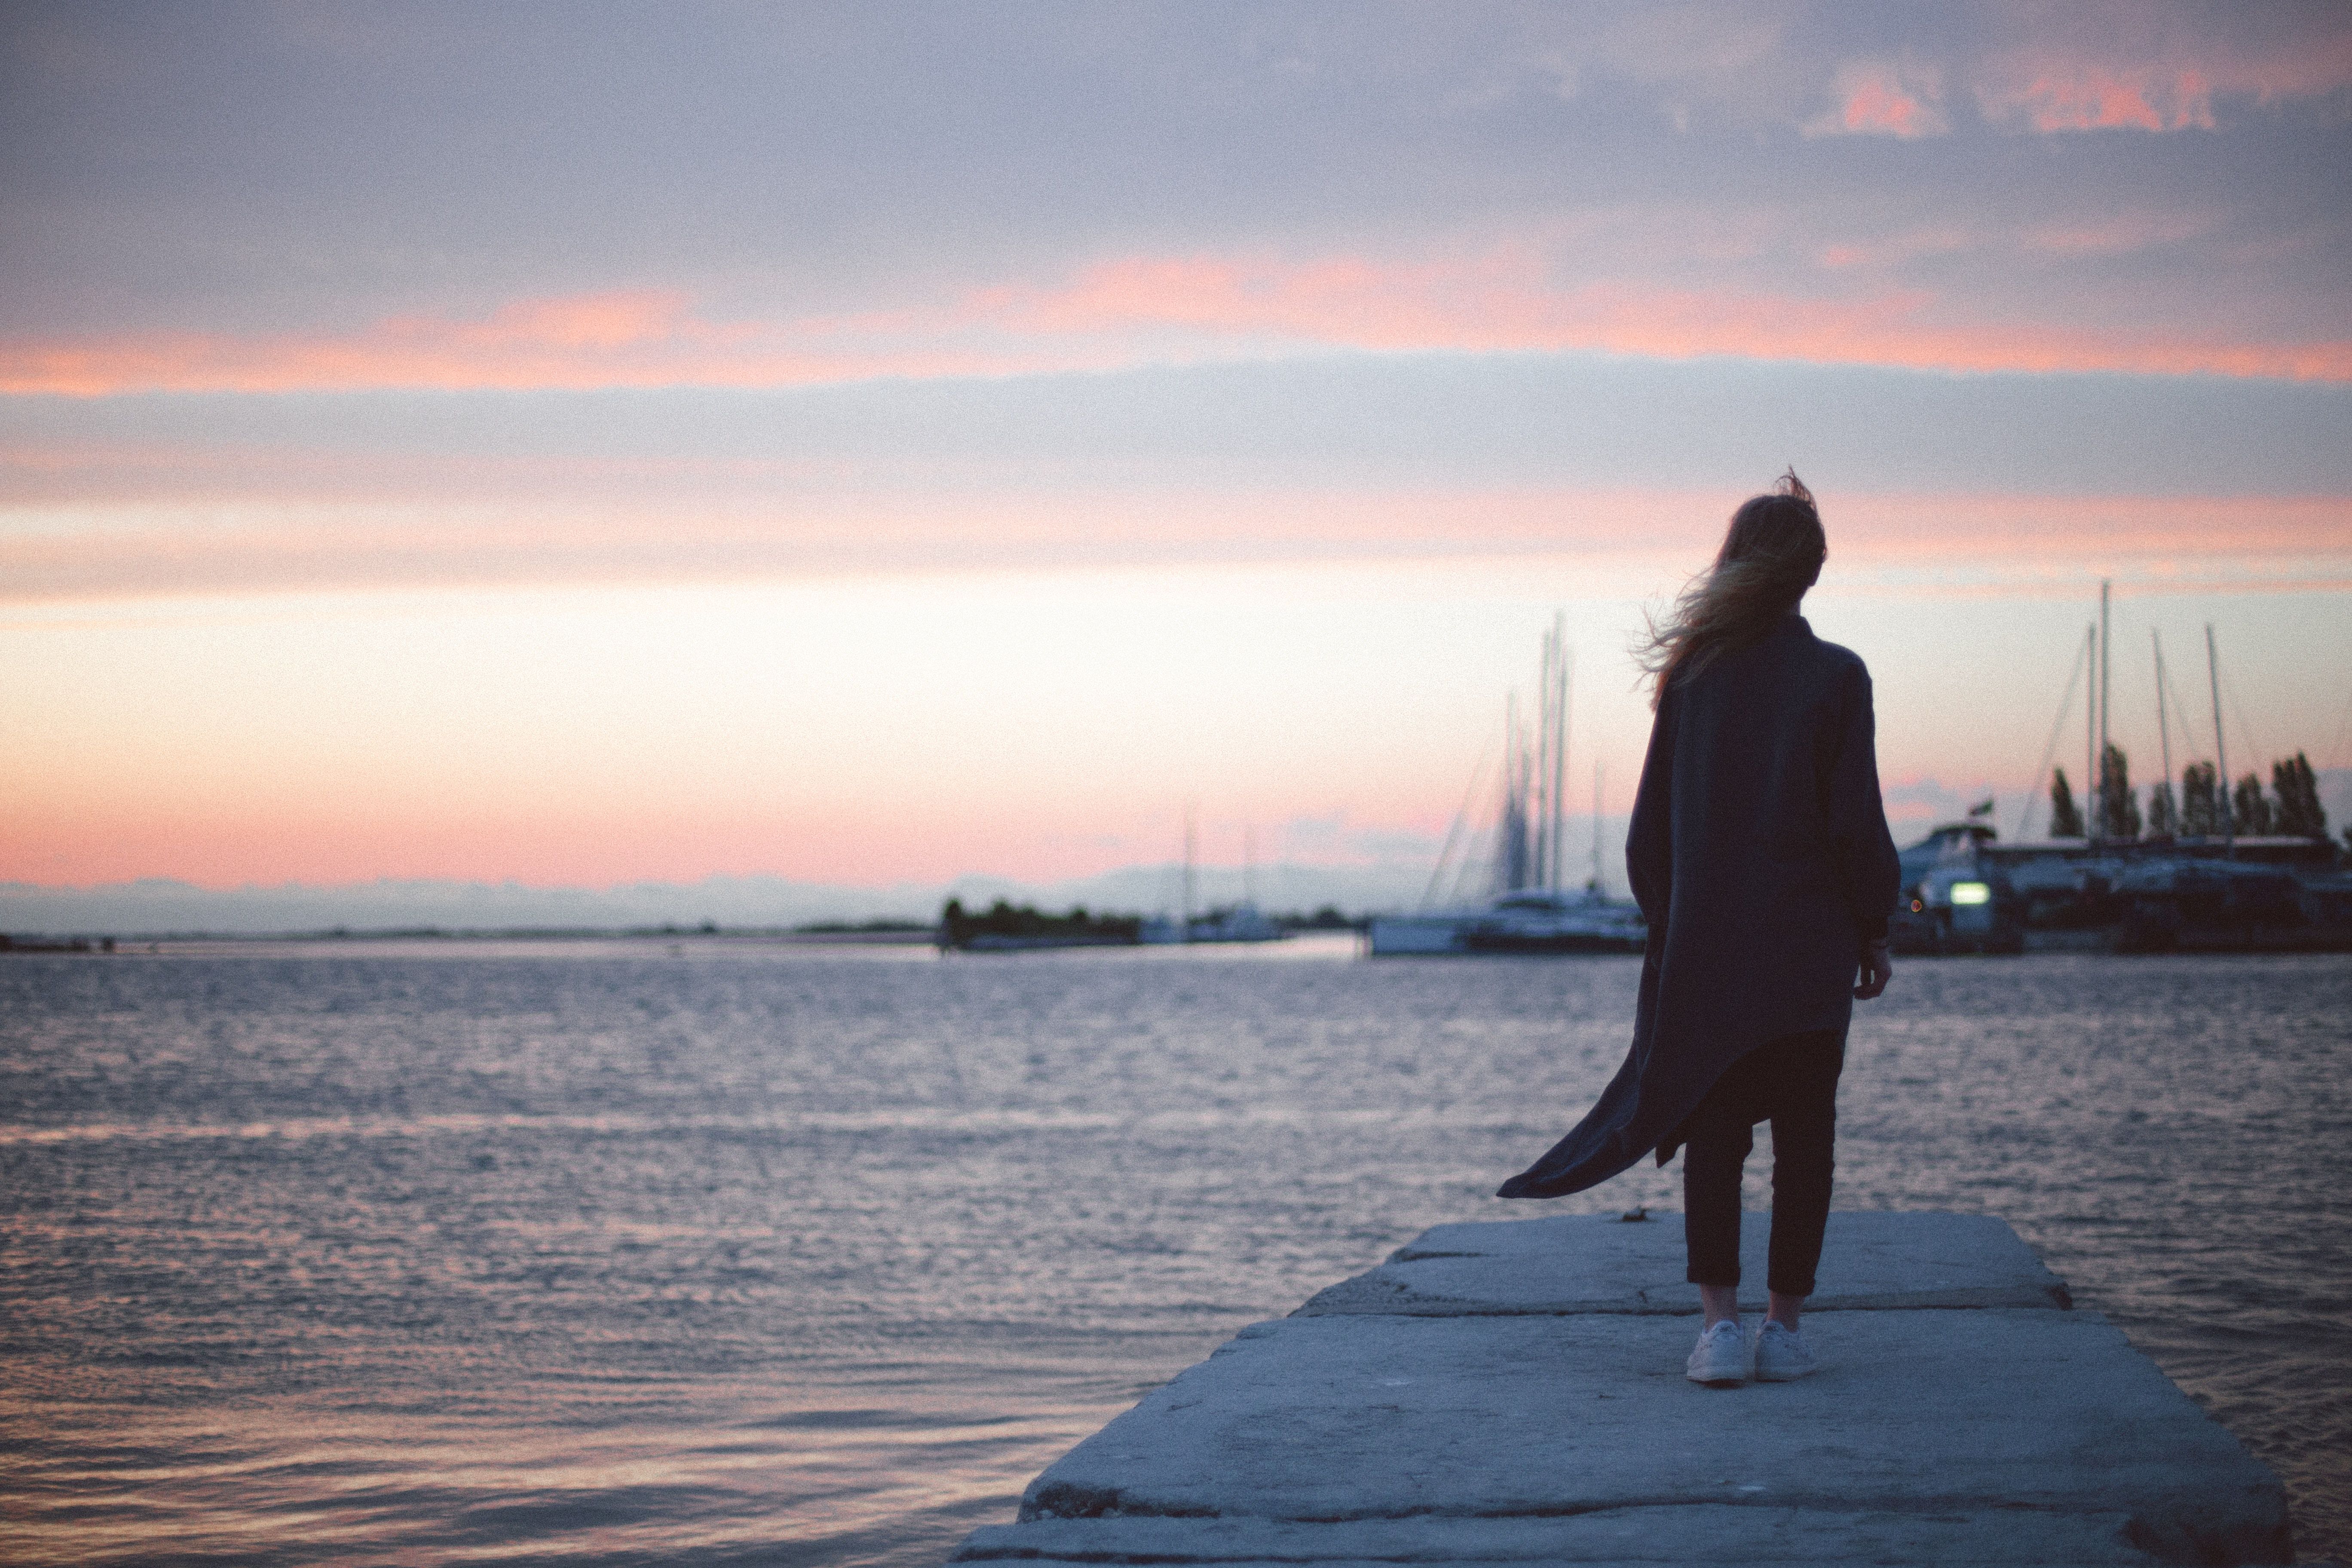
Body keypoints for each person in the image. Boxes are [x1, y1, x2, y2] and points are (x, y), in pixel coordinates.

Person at [1496, 471, 1899, 1387]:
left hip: (1709, 953)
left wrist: (1676, 928)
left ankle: (1719, 1330)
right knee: (1806, 1140)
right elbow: (1855, 823)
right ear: (1813, 572)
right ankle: (1783, 1331)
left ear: (1734, 563)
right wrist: (1873, 929)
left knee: (1715, 1137)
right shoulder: (1838, 676)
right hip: (1808, 954)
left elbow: (1649, 836)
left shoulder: (1694, 678)